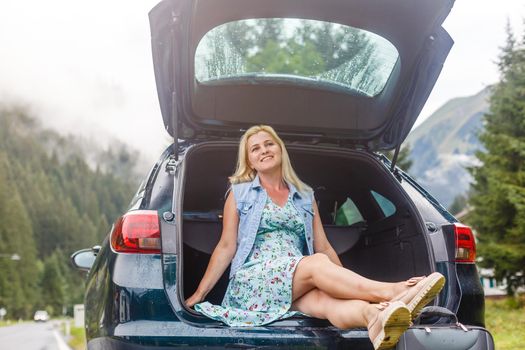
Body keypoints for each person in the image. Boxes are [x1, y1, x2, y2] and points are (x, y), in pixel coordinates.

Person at [186, 125, 445, 350]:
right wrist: (199, 293)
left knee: (325, 302)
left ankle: (373, 317)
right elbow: (226, 246)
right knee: (317, 263)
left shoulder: (304, 196)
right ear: (250, 161)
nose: (263, 150)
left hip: (293, 278)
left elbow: (324, 246)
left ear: (280, 150)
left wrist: (350, 291)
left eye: (268, 143)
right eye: (255, 149)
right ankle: (393, 293)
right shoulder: (240, 192)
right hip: (254, 281)